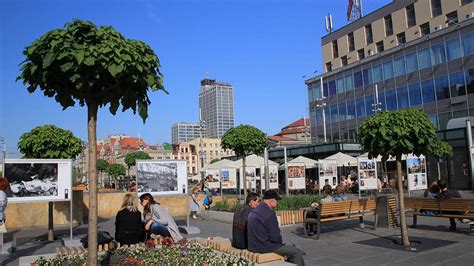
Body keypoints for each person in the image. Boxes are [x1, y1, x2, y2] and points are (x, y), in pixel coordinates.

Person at [247, 190, 305, 266]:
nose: (278, 203)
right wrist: (281, 245)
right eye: (277, 201)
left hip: (253, 246)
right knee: (295, 251)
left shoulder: (255, 210)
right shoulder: (269, 214)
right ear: (272, 201)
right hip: (263, 247)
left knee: (289, 247)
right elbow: (275, 237)